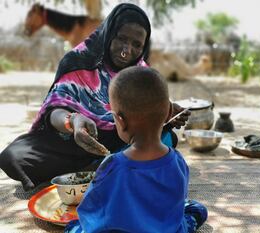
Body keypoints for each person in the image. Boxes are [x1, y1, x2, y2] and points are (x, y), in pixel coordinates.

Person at [0, 3, 189, 191]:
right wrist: (73, 121)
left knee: (166, 138)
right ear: (108, 34)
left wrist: (168, 113)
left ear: (144, 46)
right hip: (72, 141)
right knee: (13, 156)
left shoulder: (142, 73)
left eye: (136, 45)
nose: (126, 50)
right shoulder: (77, 61)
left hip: (119, 141)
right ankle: (110, 168)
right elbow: (54, 109)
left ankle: (104, 167)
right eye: (121, 38)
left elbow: (148, 114)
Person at [64, 66, 207, 233]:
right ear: (169, 112)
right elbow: (178, 200)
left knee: (73, 227)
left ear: (121, 121)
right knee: (197, 208)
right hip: (167, 229)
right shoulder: (178, 160)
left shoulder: (112, 164)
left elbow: (90, 207)